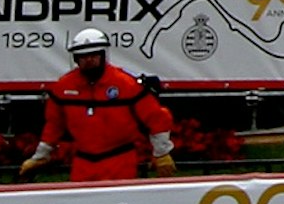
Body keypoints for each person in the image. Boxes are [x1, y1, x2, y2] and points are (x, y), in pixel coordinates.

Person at [25, 28, 175, 181]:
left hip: (120, 160)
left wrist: (162, 153)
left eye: (93, 54)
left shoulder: (127, 84)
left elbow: (156, 117)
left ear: (103, 55)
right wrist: (41, 155)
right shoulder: (63, 87)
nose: (89, 60)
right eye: (83, 56)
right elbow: (54, 124)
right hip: (82, 163)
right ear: (76, 59)